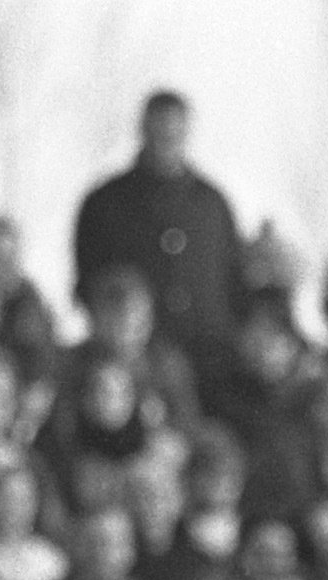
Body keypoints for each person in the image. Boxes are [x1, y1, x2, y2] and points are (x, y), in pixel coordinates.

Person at [71, 92, 245, 385]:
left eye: (175, 132)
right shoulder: (106, 203)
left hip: (210, 362)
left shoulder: (210, 203)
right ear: (143, 130)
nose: (167, 140)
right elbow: (87, 282)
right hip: (133, 370)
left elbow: (233, 277)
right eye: (159, 131)